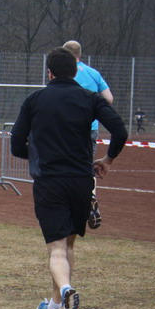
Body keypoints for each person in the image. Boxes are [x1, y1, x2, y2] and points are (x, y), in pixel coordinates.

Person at [10, 48, 127, 309]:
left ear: (49, 73)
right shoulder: (90, 98)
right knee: (69, 246)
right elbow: (120, 130)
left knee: (56, 248)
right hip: (81, 180)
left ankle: (65, 291)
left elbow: (16, 144)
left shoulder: (34, 100)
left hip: (49, 181)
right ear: (76, 72)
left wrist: (39, 154)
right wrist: (107, 160)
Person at [62, 40, 113, 230]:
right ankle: (89, 198)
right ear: (80, 54)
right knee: (85, 165)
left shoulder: (64, 73)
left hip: (66, 127)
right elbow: (109, 99)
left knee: (64, 165)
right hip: (90, 127)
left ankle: (67, 209)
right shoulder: (93, 73)